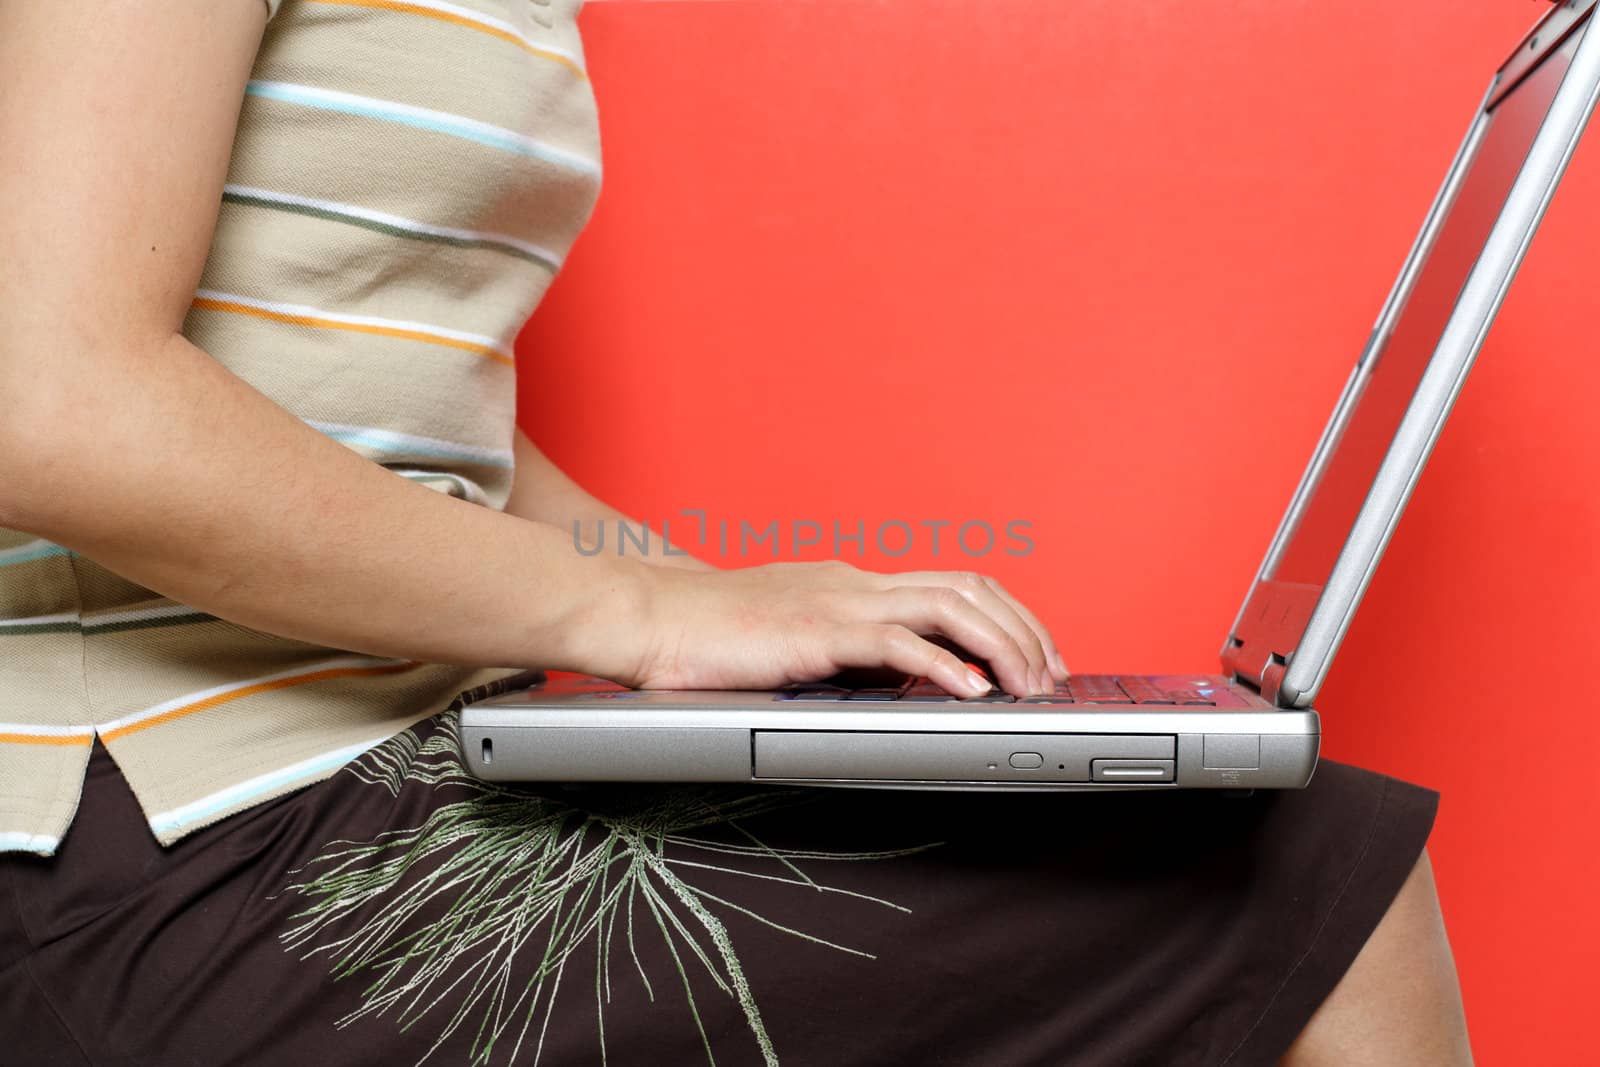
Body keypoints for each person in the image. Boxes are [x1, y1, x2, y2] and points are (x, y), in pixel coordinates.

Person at [0, 1, 1472, 1063]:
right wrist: (642, 623)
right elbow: (47, 400)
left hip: (406, 753)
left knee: (1270, 840)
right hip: (160, 849)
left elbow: (394, 420)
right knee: (1307, 874)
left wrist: (725, 602)